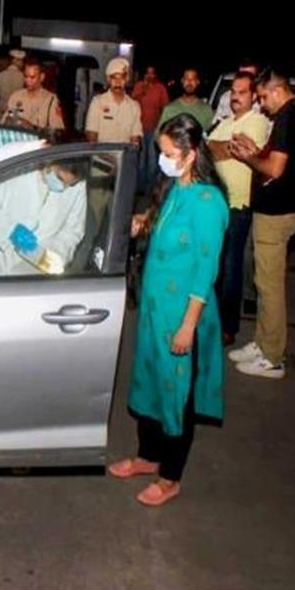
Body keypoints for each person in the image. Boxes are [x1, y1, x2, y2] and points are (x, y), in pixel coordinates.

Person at [109, 113, 229, 506]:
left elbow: (205, 270)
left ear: (191, 154)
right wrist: (143, 222)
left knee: (176, 393)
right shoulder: (176, 186)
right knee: (148, 382)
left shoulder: (208, 202)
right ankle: (148, 456)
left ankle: (170, 476)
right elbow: (166, 227)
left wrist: (188, 326)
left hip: (181, 315)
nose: (162, 159)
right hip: (154, 310)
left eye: (168, 153)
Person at [227, 69, 295, 378]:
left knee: (269, 285)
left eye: (263, 97)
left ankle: (273, 357)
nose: (261, 104)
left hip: (278, 213)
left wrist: (248, 158)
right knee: (264, 282)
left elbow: (275, 170)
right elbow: (282, 161)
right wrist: (255, 152)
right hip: (280, 209)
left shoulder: (290, 117)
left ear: (277, 90)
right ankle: (263, 343)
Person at [207, 73, 271, 346]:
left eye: (242, 92)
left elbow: (239, 150)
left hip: (238, 203)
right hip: (219, 202)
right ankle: (213, 319)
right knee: (216, 263)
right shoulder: (226, 122)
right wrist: (224, 146)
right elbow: (208, 148)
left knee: (232, 265)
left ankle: (228, 326)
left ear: (254, 96)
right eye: (233, 91)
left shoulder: (257, 121)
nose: (235, 96)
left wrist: (222, 147)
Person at [0, 154, 86, 277]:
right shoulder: (17, 165)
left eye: (69, 184)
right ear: (49, 162)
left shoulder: (78, 184)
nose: (63, 187)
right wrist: (10, 231)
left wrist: (50, 256)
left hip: (37, 273)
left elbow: (73, 231)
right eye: (59, 178)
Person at [3, 57, 65, 139]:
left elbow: (58, 132)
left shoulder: (50, 100)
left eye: (32, 77)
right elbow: (5, 122)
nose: (28, 81)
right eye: (26, 76)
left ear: (42, 77)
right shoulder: (16, 97)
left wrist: (32, 128)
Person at [85, 57, 142, 145]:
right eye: (114, 78)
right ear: (108, 80)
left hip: (124, 153)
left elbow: (135, 139)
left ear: (126, 80)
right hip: (102, 153)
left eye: (121, 78)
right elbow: (92, 135)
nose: (117, 82)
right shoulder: (98, 102)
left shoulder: (134, 107)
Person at [132, 65, 170, 192]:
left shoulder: (160, 88)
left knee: (153, 161)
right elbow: (132, 103)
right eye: (147, 73)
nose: (150, 76)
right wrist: (143, 90)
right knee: (141, 161)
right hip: (139, 129)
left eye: (152, 73)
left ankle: (150, 189)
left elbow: (166, 108)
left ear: (155, 75)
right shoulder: (138, 86)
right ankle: (139, 188)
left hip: (154, 129)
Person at [156, 68, 213, 134]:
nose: (189, 82)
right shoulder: (169, 109)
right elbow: (158, 135)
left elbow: (211, 136)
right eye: (186, 78)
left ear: (198, 82)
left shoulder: (206, 110)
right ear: (182, 81)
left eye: (193, 78)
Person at [213, 60, 261, 124]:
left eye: (249, 76)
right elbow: (216, 123)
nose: (243, 79)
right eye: (241, 75)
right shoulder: (226, 97)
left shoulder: (263, 103)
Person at [0, 48, 25, 122]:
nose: (22, 63)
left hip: (2, 111)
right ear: (14, 61)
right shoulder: (23, 77)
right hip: (16, 112)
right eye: (20, 61)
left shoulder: (0, 75)